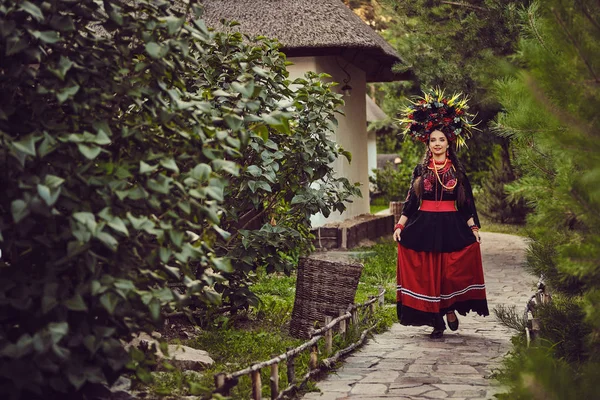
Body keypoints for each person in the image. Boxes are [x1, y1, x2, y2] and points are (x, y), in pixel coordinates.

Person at [393, 89, 489, 339]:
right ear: (428, 143)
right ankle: (436, 321)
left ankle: (449, 307)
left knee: (449, 273)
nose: (437, 143)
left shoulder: (457, 172)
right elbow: (411, 202)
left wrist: (474, 229)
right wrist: (400, 226)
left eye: (442, 140)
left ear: (449, 143)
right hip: (424, 225)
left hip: (451, 226)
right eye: (433, 140)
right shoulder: (420, 171)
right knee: (428, 275)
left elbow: (466, 204)